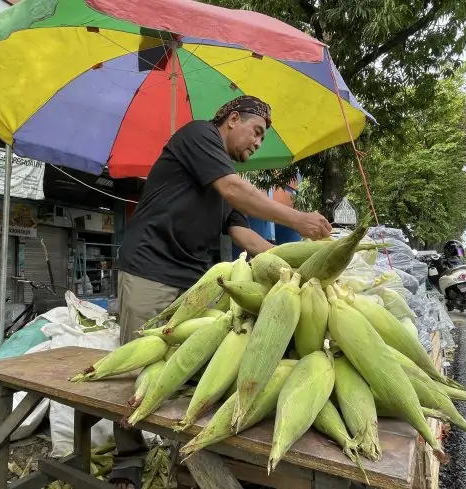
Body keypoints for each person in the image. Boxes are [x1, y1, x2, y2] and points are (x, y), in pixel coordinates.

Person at [110, 95, 332, 489]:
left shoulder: (223, 171)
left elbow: (242, 233)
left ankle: (181, 453)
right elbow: (232, 190)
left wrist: (294, 264)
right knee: (135, 363)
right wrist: (298, 219)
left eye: (263, 138)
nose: (258, 144)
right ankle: (128, 457)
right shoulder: (198, 135)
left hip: (194, 280)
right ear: (232, 119)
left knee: (188, 365)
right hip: (148, 266)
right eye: (257, 132)